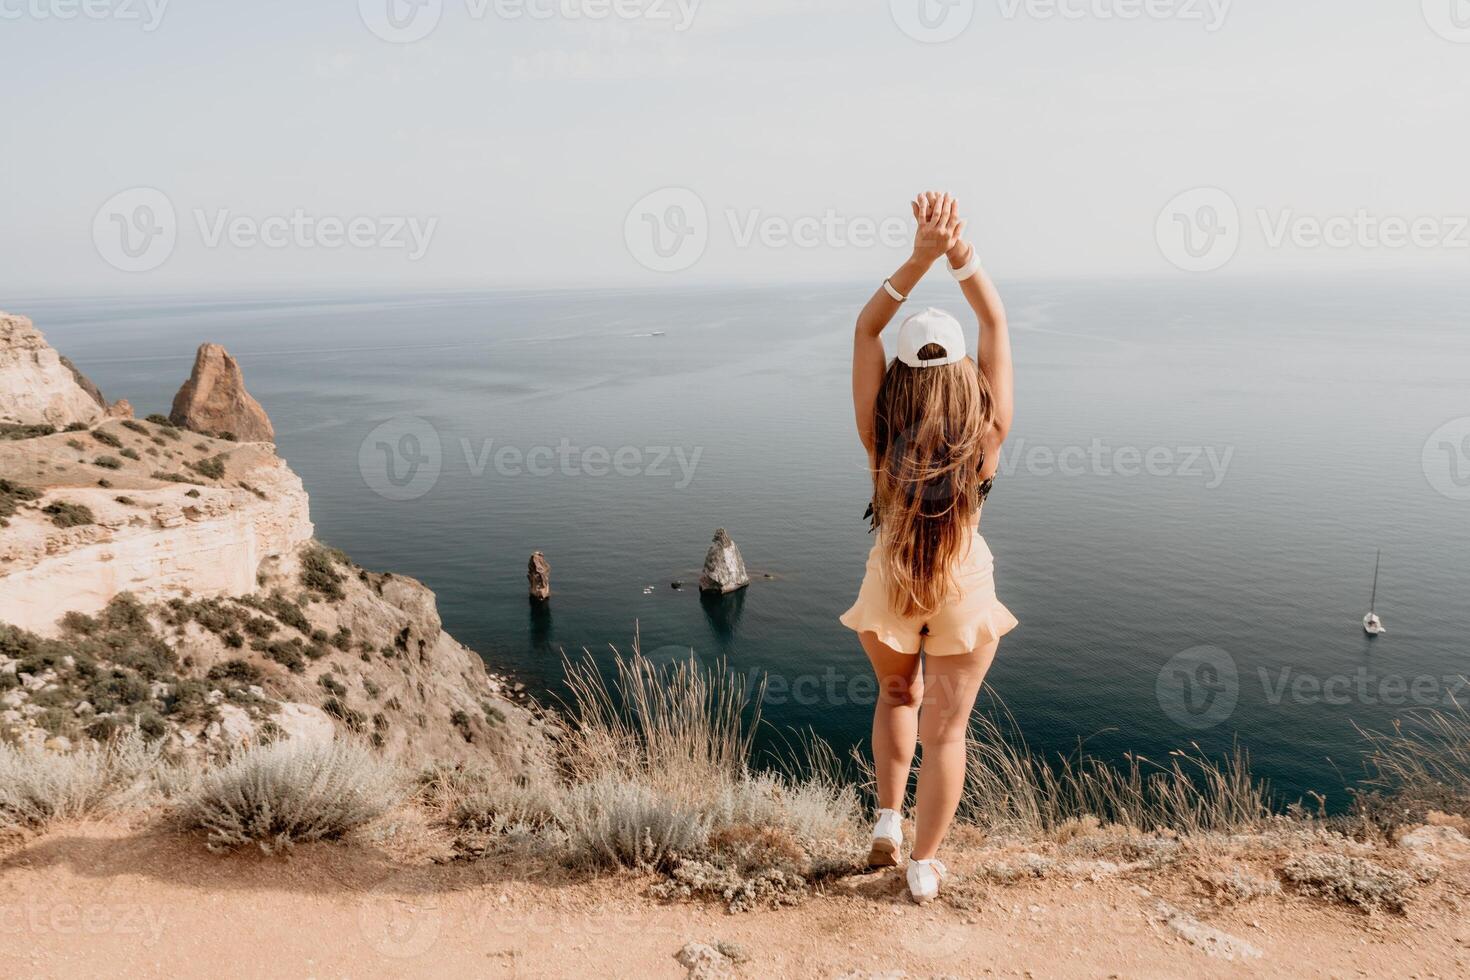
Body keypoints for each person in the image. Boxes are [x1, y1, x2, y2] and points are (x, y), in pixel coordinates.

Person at [839, 191, 1018, 904]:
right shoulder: (987, 431)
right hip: (961, 582)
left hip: (892, 578)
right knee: (947, 733)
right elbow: (996, 320)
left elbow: (865, 330)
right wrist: (960, 256)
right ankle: (923, 863)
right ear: (963, 375)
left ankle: (886, 817)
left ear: (902, 381)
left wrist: (919, 257)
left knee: (896, 693)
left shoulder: (880, 433)